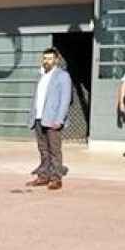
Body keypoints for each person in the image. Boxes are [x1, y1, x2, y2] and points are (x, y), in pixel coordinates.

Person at [28, 48, 74, 191]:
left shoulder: (63, 76)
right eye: (45, 58)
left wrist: (60, 119)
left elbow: (65, 100)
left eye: (49, 58)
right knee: (43, 149)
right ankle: (43, 176)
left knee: (54, 150)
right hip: (39, 118)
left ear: (56, 60)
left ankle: (56, 178)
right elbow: (36, 98)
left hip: (53, 119)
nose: (46, 61)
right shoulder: (41, 76)